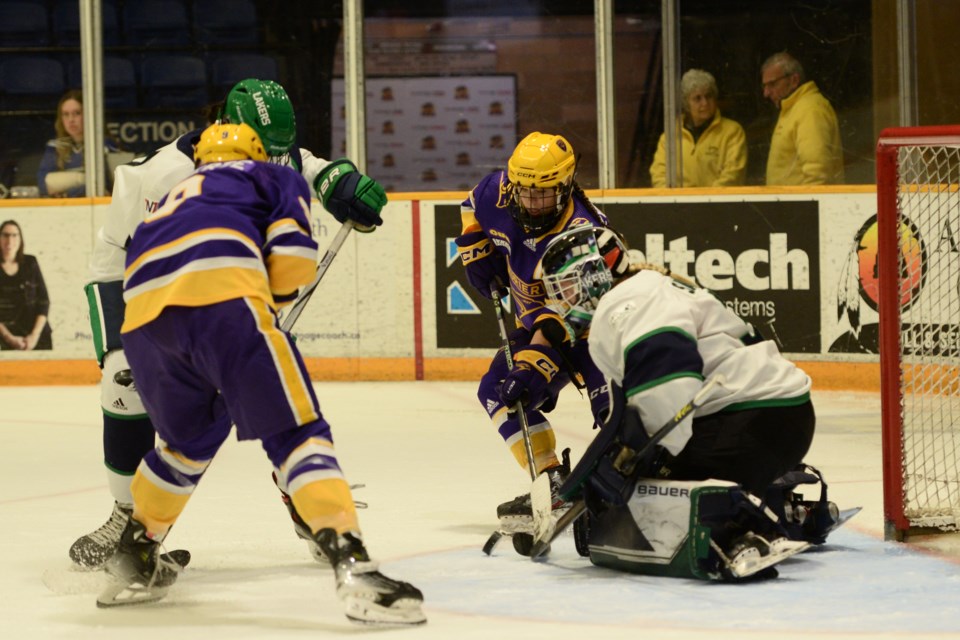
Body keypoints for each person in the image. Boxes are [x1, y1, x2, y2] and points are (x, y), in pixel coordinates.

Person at [95, 123, 424, 625]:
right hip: (227, 308)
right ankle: (353, 565)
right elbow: (293, 265)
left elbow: (130, 271)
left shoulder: (167, 197)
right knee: (297, 433)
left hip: (144, 330)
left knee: (184, 448)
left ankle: (133, 554)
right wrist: (259, 304)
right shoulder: (271, 178)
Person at [71, 78, 388, 571]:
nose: (274, 162)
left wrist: (344, 185)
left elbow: (316, 169)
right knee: (123, 384)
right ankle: (126, 517)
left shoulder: (274, 155)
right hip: (166, 308)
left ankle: (311, 516)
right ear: (226, 127)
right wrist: (114, 343)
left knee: (282, 408)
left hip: (240, 307)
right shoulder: (154, 175)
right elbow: (111, 253)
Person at [536, 225, 820, 580]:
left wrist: (636, 458)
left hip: (745, 424)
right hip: (784, 419)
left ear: (594, 273)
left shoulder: (627, 300)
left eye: (565, 287)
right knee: (650, 472)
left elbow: (666, 374)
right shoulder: (652, 289)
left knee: (644, 490)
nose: (561, 300)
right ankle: (787, 506)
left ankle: (738, 534)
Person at [455, 132, 629, 546]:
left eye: (544, 196)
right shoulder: (498, 191)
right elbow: (470, 206)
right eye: (526, 194)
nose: (532, 203)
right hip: (537, 324)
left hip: (591, 330)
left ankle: (630, 495)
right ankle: (550, 478)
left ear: (566, 186)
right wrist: (476, 248)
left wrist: (535, 364)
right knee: (497, 392)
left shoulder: (582, 234)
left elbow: (569, 317)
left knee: (616, 417)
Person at [649, 69, 747, 187]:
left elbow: (733, 175)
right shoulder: (670, 136)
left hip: (717, 204)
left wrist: (706, 201)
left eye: (708, 96)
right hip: (679, 204)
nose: (704, 103)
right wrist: (677, 202)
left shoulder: (732, 131)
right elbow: (659, 175)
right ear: (686, 103)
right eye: (697, 98)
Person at [761, 52, 844, 185]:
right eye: (764, 86)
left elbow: (818, 174)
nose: (766, 93)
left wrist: (807, 206)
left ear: (794, 80)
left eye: (772, 84)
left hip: (804, 204)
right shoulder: (793, 108)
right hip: (790, 204)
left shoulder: (810, 110)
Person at [37, 89, 120, 197]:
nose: (71, 119)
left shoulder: (104, 144)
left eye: (77, 113)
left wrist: (64, 190)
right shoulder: (55, 146)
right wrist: (82, 179)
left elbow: (101, 185)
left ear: (89, 115)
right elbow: (43, 184)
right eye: (66, 114)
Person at [0, 220, 52, 350]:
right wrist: (9, 338)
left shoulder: (31, 263)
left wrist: (34, 336)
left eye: (14, 235)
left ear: (20, 238)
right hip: (5, 339)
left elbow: (44, 301)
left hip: (38, 337)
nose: (10, 240)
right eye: (5, 235)